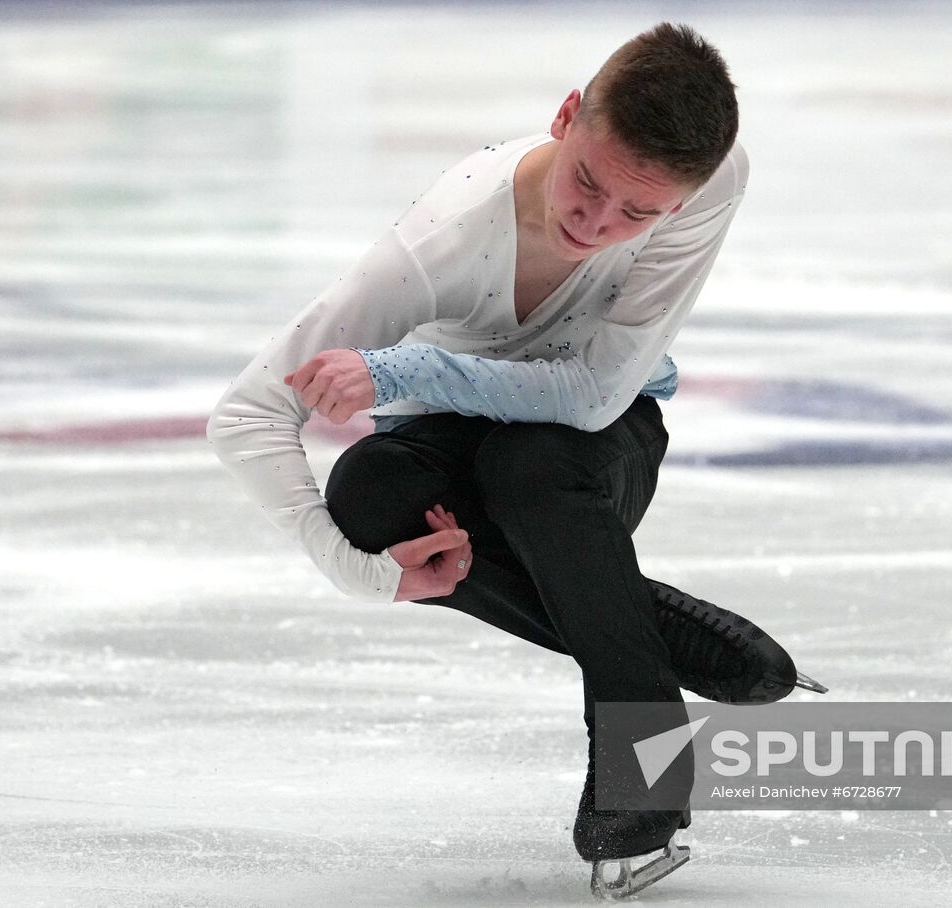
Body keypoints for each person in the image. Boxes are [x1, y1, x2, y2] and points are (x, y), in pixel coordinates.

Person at [208, 22, 821, 895]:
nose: (598, 224)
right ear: (566, 116)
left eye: (639, 214)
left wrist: (398, 369)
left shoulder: (713, 178)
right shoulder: (442, 245)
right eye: (588, 184)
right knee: (373, 489)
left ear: (679, 199)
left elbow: (598, 393)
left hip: (598, 437)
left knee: (532, 466)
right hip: (458, 426)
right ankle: (647, 631)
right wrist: (357, 571)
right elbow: (247, 412)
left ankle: (642, 779)